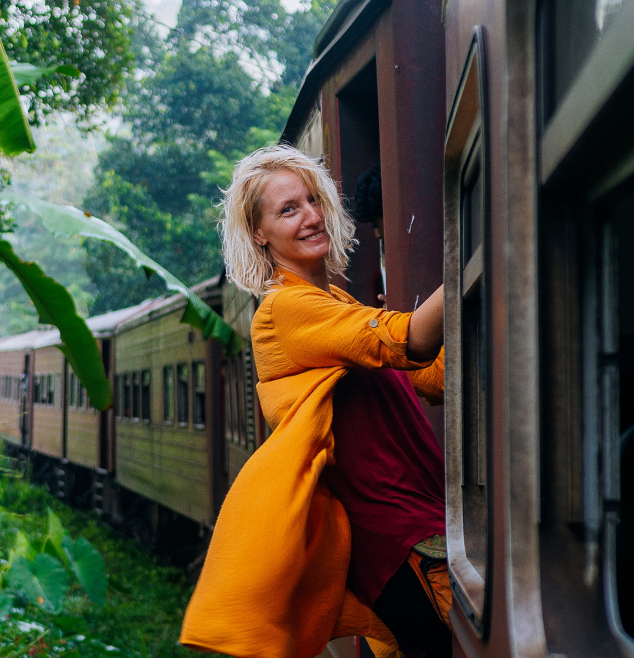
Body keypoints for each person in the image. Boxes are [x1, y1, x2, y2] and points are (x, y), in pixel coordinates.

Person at [180, 145, 450, 658]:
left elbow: (430, 378)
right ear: (259, 233)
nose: (310, 216)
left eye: (312, 200)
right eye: (288, 209)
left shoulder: (336, 305)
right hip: (398, 543)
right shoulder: (285, 310)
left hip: (419, 525)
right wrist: (476, 260)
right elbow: (410, 339)